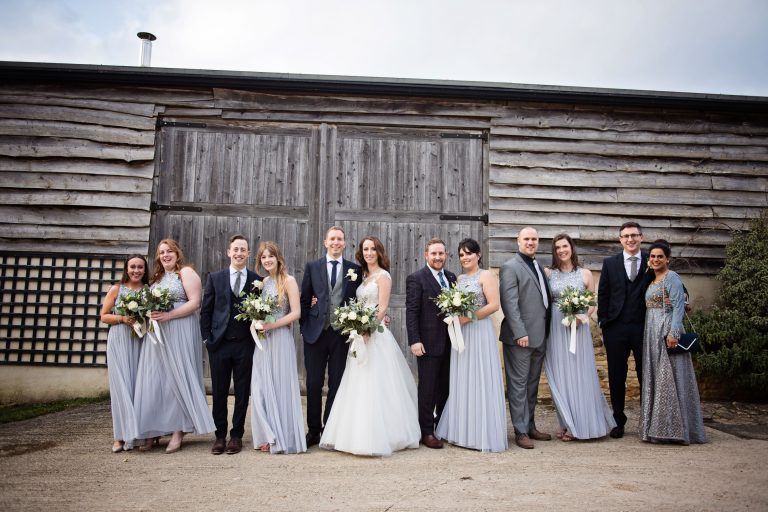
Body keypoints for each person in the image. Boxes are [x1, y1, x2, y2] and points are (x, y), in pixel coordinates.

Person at [320, 236, 420, 456]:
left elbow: (382, 307)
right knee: (357, 382)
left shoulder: (383, 276)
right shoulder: (362, 276)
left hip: (376, 336)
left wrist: (368, 328)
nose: (369, 253)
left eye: (373, 249)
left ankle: (384, 435)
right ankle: (353, 434)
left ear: (379, 252)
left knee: (378, 383)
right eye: (365, 249)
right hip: (359, 334)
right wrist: (356, 327)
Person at [134, 239, 215, 453]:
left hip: (180, 330)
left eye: (169, 251)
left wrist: (168, 315)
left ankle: (178, 431)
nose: (166, 255)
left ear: (177, 253)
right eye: (162, 252)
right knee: (155, 380)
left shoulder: (186, 273)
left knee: (177, 378)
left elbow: (195, 302)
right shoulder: (156, 279)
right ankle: (152, 431)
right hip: (158, 334)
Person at [435, 238, 507, 452]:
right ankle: (463, 432)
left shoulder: (486, 276)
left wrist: (468, 318)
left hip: (479, 330)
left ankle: (482, 434)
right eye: (461, 254)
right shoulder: (459, 278)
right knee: (464, 378)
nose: (465, 257)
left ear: (478, 255)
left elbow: (494, 304)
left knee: (480, 377)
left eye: (469, 253)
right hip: (462, 334)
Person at [544, 234, 616, 441]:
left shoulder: (585, 274)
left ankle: (582, 425)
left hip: (578, 328)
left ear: (571, 248)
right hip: (556, 328)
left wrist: (581, 317)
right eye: (557, 248)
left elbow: (592, 304)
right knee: (560, 376)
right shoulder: (549, 273)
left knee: (580, 375)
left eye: (564, 246)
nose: (561, 250)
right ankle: (567, 422)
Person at [639, 240, 707, 445]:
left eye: (660, 256)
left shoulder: (672, 277)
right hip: (651, 329)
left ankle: (676, 429)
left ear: (667, 259)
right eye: (652, 256)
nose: (656, 259)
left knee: (670, 378)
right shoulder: (651, 279)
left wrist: (674, 333)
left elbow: (679, 307)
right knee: (658, 378)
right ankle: (658, 427)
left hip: (666, 329)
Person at [299, 226, 362, 447]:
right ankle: (314, 430)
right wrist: (304, 327)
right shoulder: (313, 266)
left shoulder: (354, 269)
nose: (336, 242)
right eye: (332, 239)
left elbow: (359, 300)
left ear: (345, 243)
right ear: (326, 243)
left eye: (340, 239)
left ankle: (330, 427)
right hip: (315, 333)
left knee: (337, 382)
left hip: (341, 334)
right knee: (314, 383)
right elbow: (305, 299)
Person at [200, 235, 261, 455]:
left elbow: (263, 309)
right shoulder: (215, 278)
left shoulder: (256, 280)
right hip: (220, 344)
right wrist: (207, 338)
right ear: (229, 252)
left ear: (248, 253)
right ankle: (219, 435)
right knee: (219, 392)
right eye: (235, 249)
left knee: (242, 392)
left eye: (243, 250)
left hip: (245, 344)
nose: (239, 253)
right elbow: (206, 310)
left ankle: (236, 436)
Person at [250, 241, 306, 453]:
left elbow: (296, 313)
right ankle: (267, 433)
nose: (267, 260)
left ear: (278, 257)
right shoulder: (263, 283)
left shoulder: (288, 280)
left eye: (270, 256)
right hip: (264, 340)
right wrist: (256, 321)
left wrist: (272, 324)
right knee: (261, 385)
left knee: (280, 385)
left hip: (280, 337)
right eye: (263, 258)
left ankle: (281, 436)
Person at [499, 226, 552, 449]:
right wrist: (520, 332)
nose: (531, 242)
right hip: (520, 337)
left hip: (540, 335)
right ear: (518, 241)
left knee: (532, 385)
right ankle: (520, 431)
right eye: (526, 239)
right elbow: (509, 303)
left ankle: (530, 425)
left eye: (534, 239)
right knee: (518, 386)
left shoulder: (538, 266)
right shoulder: (510, 267)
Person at [597, 221, 648, 438]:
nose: (630, 239)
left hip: (643, 326)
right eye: (626, 236)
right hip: (615, 327)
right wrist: (603, 321)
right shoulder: (610, 263)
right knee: (617, 375)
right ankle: (618, 420)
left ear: (641, 237)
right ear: (620, 239)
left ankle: (648, 421)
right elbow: (603, 293)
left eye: (634, 235)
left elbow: (668, 279)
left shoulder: (651, 260)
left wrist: (683, 297)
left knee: (645, 373)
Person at [405, 238, 457, 449]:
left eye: (441, 254)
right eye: (434, 254)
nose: (437, 257)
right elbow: (412, 311)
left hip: (451, 342)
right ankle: (426, 431)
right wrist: (415, 340)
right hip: (427, 342)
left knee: (445, 387)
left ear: (446, 255)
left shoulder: (452, 277)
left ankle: (441, 426)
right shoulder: (417, 278)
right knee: (427, 388)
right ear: (426, 255)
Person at [100, 254, 149, 452]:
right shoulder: (116, 289)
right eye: (133, 267)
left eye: (140, 267)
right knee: (121, 388)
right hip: (119, 340)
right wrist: (122, 318)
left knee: (138, 387)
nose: (136, 271)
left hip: (140, 341)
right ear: (126, 269)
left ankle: (138, 434)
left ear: (145, 270)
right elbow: (103, 316)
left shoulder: (148, 291)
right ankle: (119, 436)